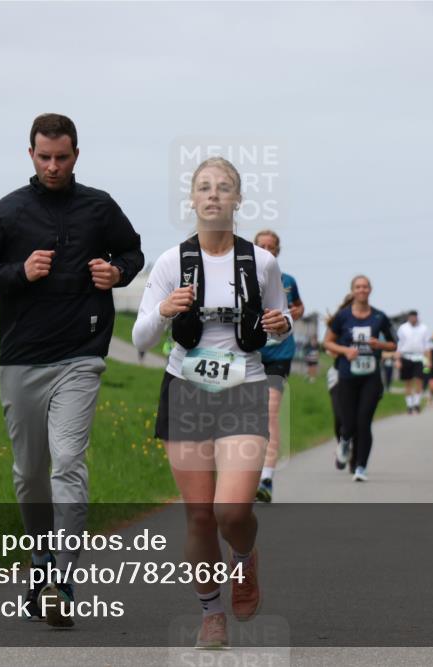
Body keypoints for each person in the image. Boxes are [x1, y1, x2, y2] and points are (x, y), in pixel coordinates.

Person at [0, 114, 144, 627]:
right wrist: (19, 272)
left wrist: (118, 272)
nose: (53, 165)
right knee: (30, 474)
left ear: (76, 155)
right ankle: (39, 561)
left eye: (62, 157)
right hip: (21, 356)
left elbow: (132, 249)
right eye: (44, 156)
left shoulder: (98, 207)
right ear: (31, 154)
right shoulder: (10, 211)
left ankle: (62, 578)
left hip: (81, 355)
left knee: (68, 461)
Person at [132, 157, 292, 649]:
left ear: (238, 199)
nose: (214, 195)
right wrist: (163, 309)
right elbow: (140, 337)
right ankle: (211, 612)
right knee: (199, 514)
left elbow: (279, 321)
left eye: (224, 188)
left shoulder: (260, 262)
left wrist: (280, 326)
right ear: (193, 200)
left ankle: (244, 559)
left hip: (244, 386)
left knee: (233, 509)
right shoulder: (169, 262)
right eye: (204, 187)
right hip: (186, 388)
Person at [324, 276, 397, 481]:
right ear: (353, 290)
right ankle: (345, 441)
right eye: (358, 287)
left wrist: (379, 345)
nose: (362, 290)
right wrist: (345, 351)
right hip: (346, 375)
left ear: (370, 290)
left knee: (364, 422)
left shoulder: (380, 317)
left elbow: (394, 344)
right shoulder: (343, 317)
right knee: (347, 423)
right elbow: (327, 343)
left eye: (365, 286)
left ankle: (360, 467)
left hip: (371, 377)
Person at [252, 229, 304, 503]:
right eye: (262, 246)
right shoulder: (243, 279)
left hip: (279, 354)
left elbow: (299, 306)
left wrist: (294, 313)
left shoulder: (288, 281)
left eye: (272, 247)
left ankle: (266, 478)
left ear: (278, 251)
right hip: (249, 354)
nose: (267, 250)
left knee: (270, 414)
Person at [395, 310, 432, 414]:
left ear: (417, 317)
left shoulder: (424, 328)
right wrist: (397, 360)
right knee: (408, 382)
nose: (412, 319)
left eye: (414, 317)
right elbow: (399, 344)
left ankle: (416, 403)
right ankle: (409, 405)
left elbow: (427, 346)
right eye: (411, 317)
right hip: (406, 356)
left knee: (419, 380)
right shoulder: (403, 328)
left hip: (420, 357)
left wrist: (428, 361)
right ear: (408, 318)